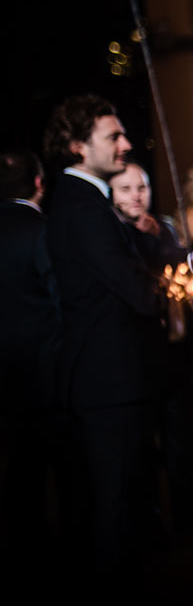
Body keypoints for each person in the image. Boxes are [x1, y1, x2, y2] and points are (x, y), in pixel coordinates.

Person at [42, 95, 193, 594]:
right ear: (79, 146)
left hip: (118, 376)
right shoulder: (82, 206)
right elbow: (136, 288)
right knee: (113, 509)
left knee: (128, 501)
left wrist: (191, 259)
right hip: (108, 381)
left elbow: (148, 251)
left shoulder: (91, 201)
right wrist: (182, 285)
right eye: (113, 137)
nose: (125, 144)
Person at [0, 147, 64, 568]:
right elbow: (63, 301)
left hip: (3, 372)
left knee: (15, 465)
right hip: (44, 367)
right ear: (39, 183)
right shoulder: (43, 231)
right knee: (57, 465)